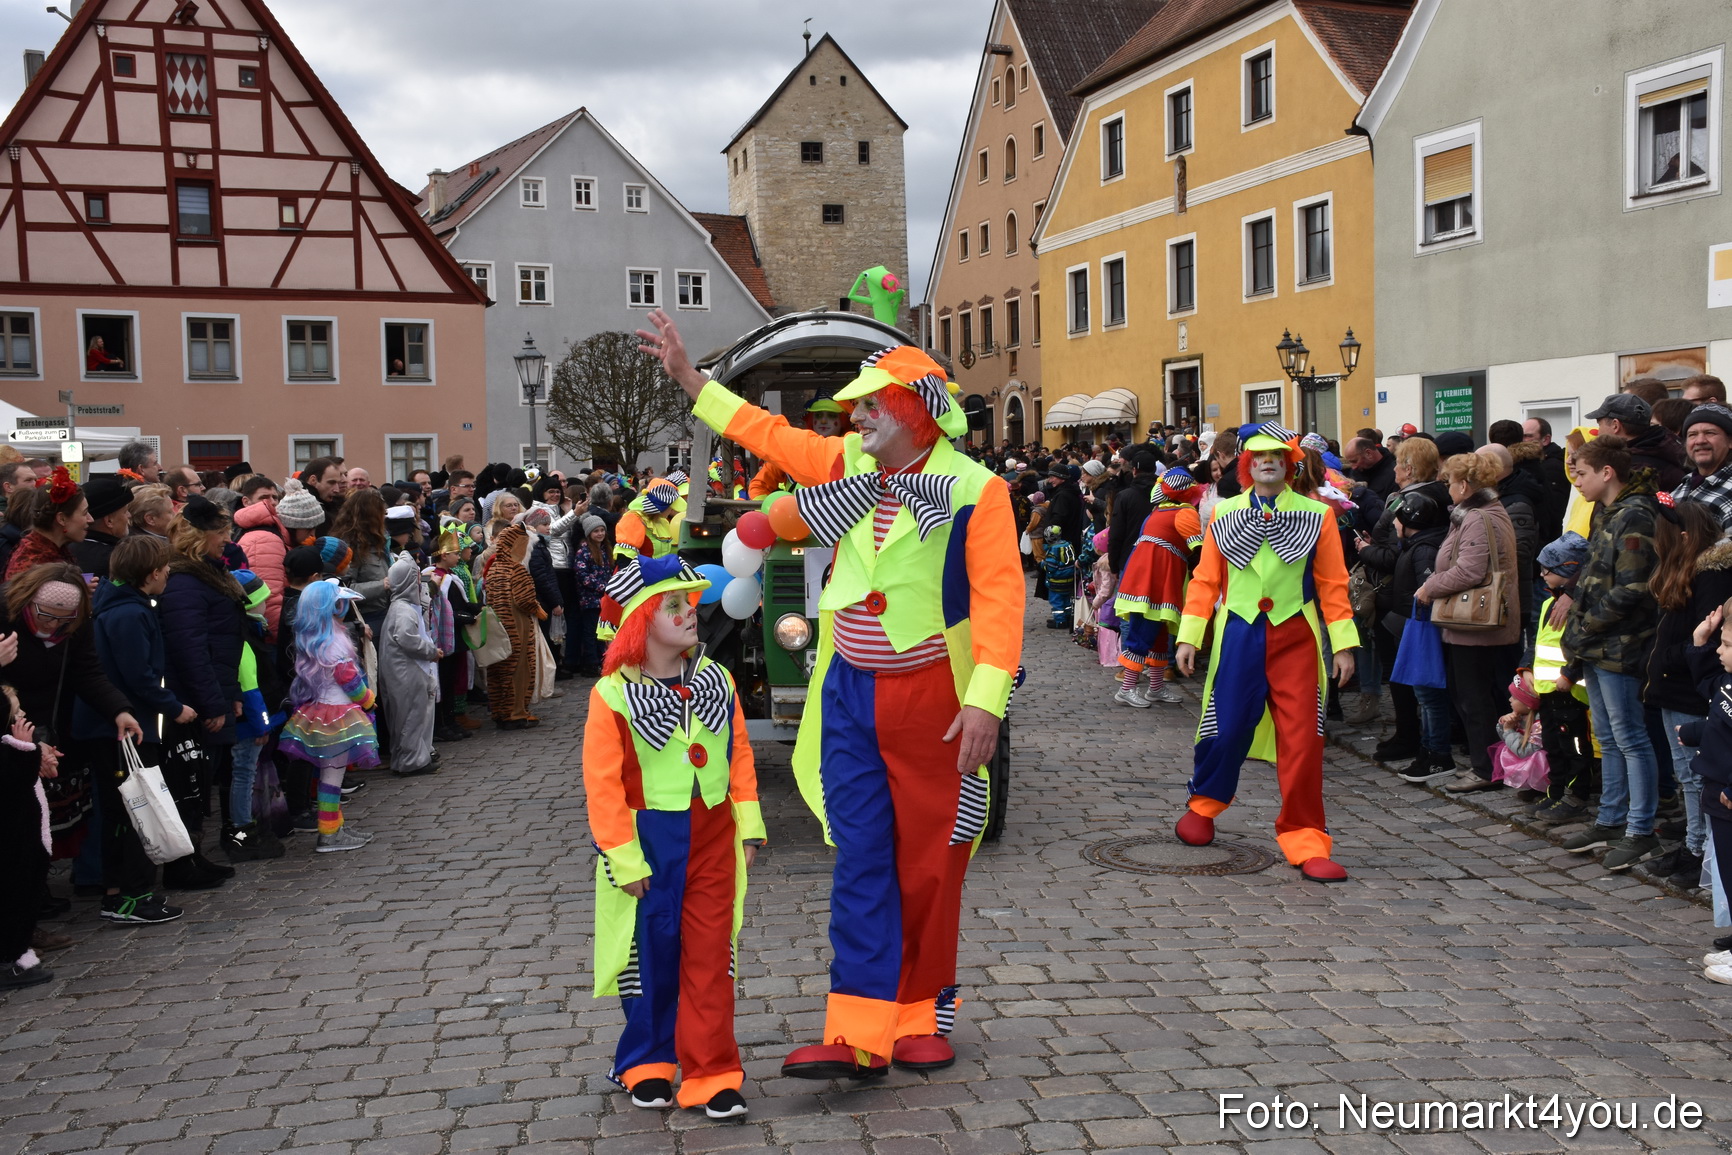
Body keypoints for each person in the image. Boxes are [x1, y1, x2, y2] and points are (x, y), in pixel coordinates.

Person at [640, 309, 1022, 1078]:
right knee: (860, 854)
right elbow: (770, 436)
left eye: (874, 403)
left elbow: (1002, 600)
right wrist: (691, 380)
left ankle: (921, 1014)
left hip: (932, 698)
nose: (859, 414)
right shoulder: (847, 462)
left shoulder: (977, 490)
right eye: (857, 406)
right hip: (847, 689)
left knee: (932, 860)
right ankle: (857, 1029)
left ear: (915, 408)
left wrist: (985, 700)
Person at [584, 556, 763, 1119]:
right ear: (639, 620)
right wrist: (623, 856)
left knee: (712, 953)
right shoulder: (611, 695)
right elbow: (603, 784)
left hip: (713, 833)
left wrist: (749, 824)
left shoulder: (718, 678)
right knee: (649, 953)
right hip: (648, 839)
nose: (691, 613)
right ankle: (646, 1061)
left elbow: (738, 753)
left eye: (690, 603)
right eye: (674, 606)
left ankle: (713, 1071)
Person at [1171, 423, 1357, 882]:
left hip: (1296, 635)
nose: (1267, 461)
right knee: (1225, 725)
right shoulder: (1223, 514)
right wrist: (1189, 634)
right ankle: (1204, 804)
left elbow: (1334, 584)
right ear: (1246, 465)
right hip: (1239, 633)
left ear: (1291, 463)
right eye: (1257, 456)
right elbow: (1205, 579)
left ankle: (1306, 837)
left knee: (1304, 739)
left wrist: (1345, 644)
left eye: (1276, 454)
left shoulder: (1319, 515)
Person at [71, 535, 191, 924]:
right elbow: (138, 676)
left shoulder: (129, 605)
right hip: (122, 730)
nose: (169, 572)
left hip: (121, 726)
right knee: (133, 811)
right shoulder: (127, 613)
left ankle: (124, 893)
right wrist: (174, 708)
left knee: (124, 812)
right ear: (152, 573)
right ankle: (128, 897)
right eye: (165, 567)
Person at [1558, 435, 1663, 870]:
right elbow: (1593, 578)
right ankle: (1611, 818)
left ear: (1606, 473)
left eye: (1580, 473)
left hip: (1621, 645)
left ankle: (1640, 829)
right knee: (1609, 738)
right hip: (1597, 645)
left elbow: (1632, 589)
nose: (1576, 482)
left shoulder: (1635, 515)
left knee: (1631, 738)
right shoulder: (1610, 512)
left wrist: (1585, 626)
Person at [1413, 452, 1521, 793]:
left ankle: (1486, 768)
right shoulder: (1479, 513)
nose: (1447, 489)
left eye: (1449, 483)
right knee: (1476, 695)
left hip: (1476, 624)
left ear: (1464, 484)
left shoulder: (1478, 517)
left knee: (1474, 698)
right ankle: (1491, 763)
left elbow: (1471, 570)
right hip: (1475, 625)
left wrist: (1430, 586)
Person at [157, 497, 251, 885]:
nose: (227, 540)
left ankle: (193, 855)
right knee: (190, 781)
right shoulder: (184, 583)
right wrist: (213, 703)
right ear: (199, 538)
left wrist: (228, 695)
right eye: (221, 533)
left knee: (201, 777)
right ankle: (182, 864)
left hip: (214, 688)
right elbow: (190, 649)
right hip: (194, 698)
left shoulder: (205, 574)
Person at [1643, 499, 1731, 887]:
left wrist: (1665, 659)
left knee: (1697, 777)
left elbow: (1706, 640)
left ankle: (1701, 852)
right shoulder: (1684, 570)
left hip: (1690, 690)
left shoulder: (1711, 576)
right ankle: (1695, 845)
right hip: (1672, 688)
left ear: (1682, 537)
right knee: (1686, 777)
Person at [278, 580, 378, 852]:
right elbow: (348, 680)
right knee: (332, 777)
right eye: (340, 604)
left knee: (329, 775)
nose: (344, 609)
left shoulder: (314, 638)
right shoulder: (334, 640)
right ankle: (330, 834)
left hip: (320, 711)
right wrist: (368, 699)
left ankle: (335, 828)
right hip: (338, 715)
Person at [1112, 467, 1203, 708]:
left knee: (1159, 636)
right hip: (1156, 582)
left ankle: (1156, 687)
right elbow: (1199, 552)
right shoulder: (1184, 513)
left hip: (1145, 579)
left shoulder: (1157, 512)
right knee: (1142, 634)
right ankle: (1127, 688)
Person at [1519, 534, 1595, 825]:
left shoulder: (1576, 604)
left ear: (1567, 570)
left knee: (1574, 745)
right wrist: (1527, 668)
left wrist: (1570, 674)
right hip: (1548, 690)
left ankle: (1577, 796)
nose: (1541, 575)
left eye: (1547, 570)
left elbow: (1581, 643)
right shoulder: (1551, 601)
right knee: (1553, 743)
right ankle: (1557, 790)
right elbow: (1540, 642)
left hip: (1570, 691)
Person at [1385, 494, 1455, 784]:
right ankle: (1429, 751)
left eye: (1398, 518)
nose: (1393, 523)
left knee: (1429, 696)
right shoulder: (1415, 544)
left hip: (1423, 630)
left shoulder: (1424, 549)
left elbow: (1426, 589)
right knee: (1423, 696)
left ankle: (1438, 755)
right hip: (1414, 627)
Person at [0, 681, 60, 990]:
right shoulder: (9, 750)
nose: (23, 715)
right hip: (16, 842)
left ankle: (19, 952)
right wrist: (26, 750)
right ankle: (11, 958)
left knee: (27, 894)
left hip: (30, 840)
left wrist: (37, 753)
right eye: (16, 712)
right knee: (16, 897)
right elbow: (16, 784)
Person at [381, 556, 440, 777]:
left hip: (402, 670)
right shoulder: (403, 610)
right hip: (405, 671)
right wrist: (431, 651)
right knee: (411, 715)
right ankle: (412, 760)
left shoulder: (399, 607)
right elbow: (407, 638)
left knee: (403, 715)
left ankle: (406, 757)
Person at [483, 524, 545, 730]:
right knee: (519, 668)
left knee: (500, 668)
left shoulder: (493, 568)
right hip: (517, 627)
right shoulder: (515, 569)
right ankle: (515, 712)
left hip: (499, 627)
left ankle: (500, 711)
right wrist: (538, 609)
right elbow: (525, 599)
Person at [1588, 393, 1686, 492]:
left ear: (1615, 425)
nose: (1598, 432)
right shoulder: (1664, 448)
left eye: (1599, 425)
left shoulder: (1634, 468)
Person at [234, 482, 291, 643]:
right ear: (246, 501)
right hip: (269, 633)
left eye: (275, 497)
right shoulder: (262, 537)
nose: (272, 502)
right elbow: (268, 596)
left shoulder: (267, 528)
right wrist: (277, 635)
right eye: (264, 497)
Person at [6, 470, 90, 580]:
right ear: (62, 519)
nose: (90, 519)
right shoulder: (34, 563)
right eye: (84, 513)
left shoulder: (54, 550)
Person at [1674, 403, 1732, 532]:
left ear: (1730, 441)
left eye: (1710, 433)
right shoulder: (1684, 485)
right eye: (1692, 434)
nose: (1700, 440)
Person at [569, 515, 612, 677]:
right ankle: (591, 662)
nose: (600, 534)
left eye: (602, 530)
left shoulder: (605, 550)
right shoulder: (584, 551)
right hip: (590, 599)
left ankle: (602, 660)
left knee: (602, 631)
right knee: (590, 632)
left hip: (604, 599)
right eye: (596, 531)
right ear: (589, 533)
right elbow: (582, 574)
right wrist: (602, 586)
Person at [68, 475, 131, 580]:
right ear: (109, 521)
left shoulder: (68, 548)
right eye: (125, 512)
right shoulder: (117, 559)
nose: (129, 515)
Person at [1040, 525, 1076, 630]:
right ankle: (1068, 617)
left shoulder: (1053, 550)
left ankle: (1060, 621)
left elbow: (1051, 567)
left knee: (1057, 602)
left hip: (1056, 582)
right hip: (1069, 580)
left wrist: (1042, 565)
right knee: (1067, 600)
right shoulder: (1068, 546)